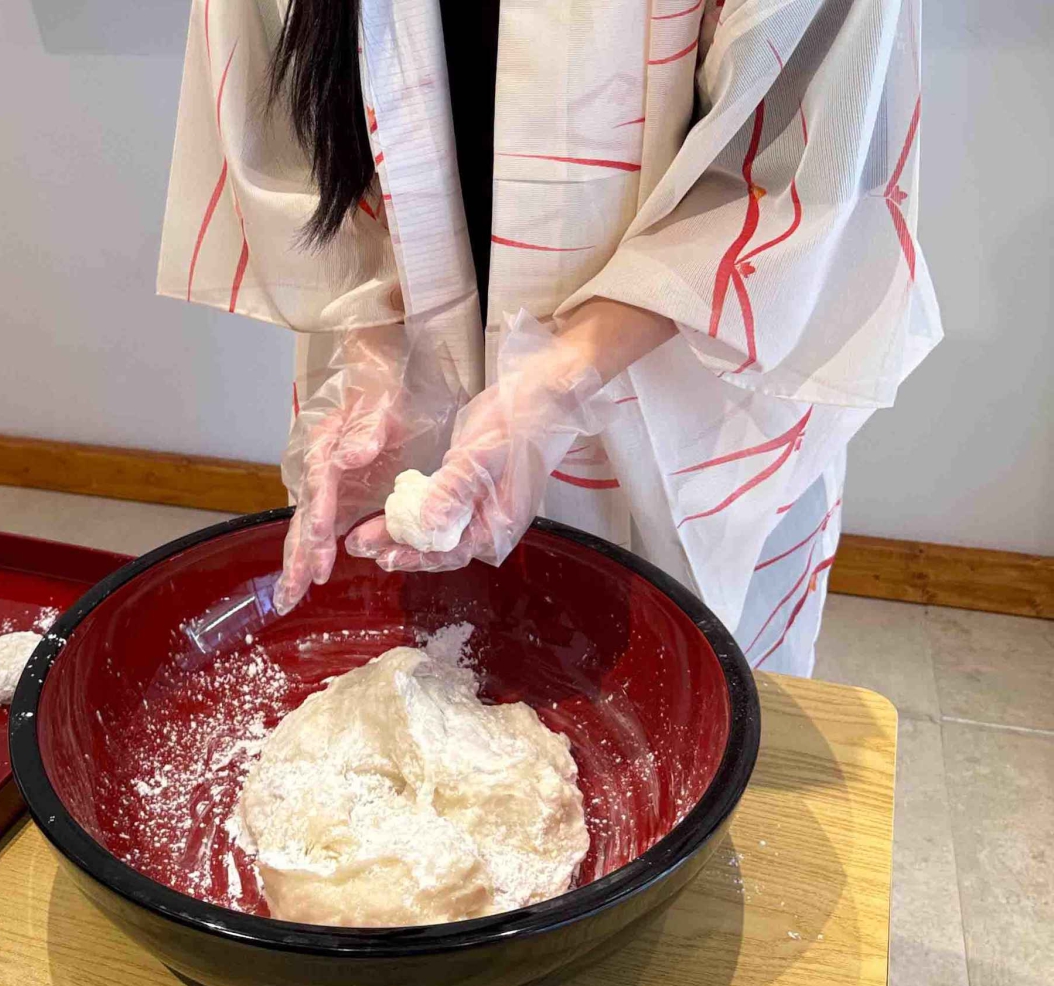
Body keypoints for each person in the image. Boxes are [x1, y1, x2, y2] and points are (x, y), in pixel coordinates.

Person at [158, 0, 941, 678]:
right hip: (416, 356)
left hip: (684, 386)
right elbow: (282, 82)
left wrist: (553, 385)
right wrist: (375, 361)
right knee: (424, 700)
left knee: (676, 720)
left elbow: (809, 150)